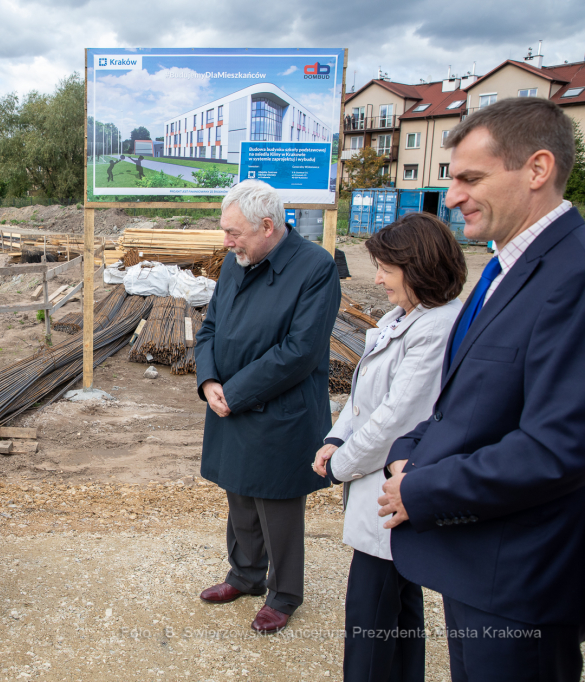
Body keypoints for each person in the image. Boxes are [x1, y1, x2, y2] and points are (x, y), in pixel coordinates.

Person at [377, 97, 585, 681]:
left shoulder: (573, 276)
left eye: (471, 178)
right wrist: (405, 453)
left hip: (522, 577)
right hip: (481, 565)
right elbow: (467, 403)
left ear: (537, 170)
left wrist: (420, 490)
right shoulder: (505, 268)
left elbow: (557, 447)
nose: (452, 196)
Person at [314, 213, 465, 681]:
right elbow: (364, 398)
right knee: (398, 611)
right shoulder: (401, 316)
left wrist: (340, 464)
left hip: (389, 488)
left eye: (384, 267)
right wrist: (335, 436)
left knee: (372, 619)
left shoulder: (437, 328)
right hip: (378, 487)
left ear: (416, 266)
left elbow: (395, 417)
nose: (376, 278)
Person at [195, 179, 341, 634]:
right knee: (238, 493)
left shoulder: (315, 267)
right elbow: (210, 328)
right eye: (225, 231)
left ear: (266, 225)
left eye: (233, 232)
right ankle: (244, 576)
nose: (226, 240)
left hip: (281, 409)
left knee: (276, 502)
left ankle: (284, 593)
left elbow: (300, 351)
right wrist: (209, 380)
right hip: (228, 400)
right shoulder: (237, 262)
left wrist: (234, 393)